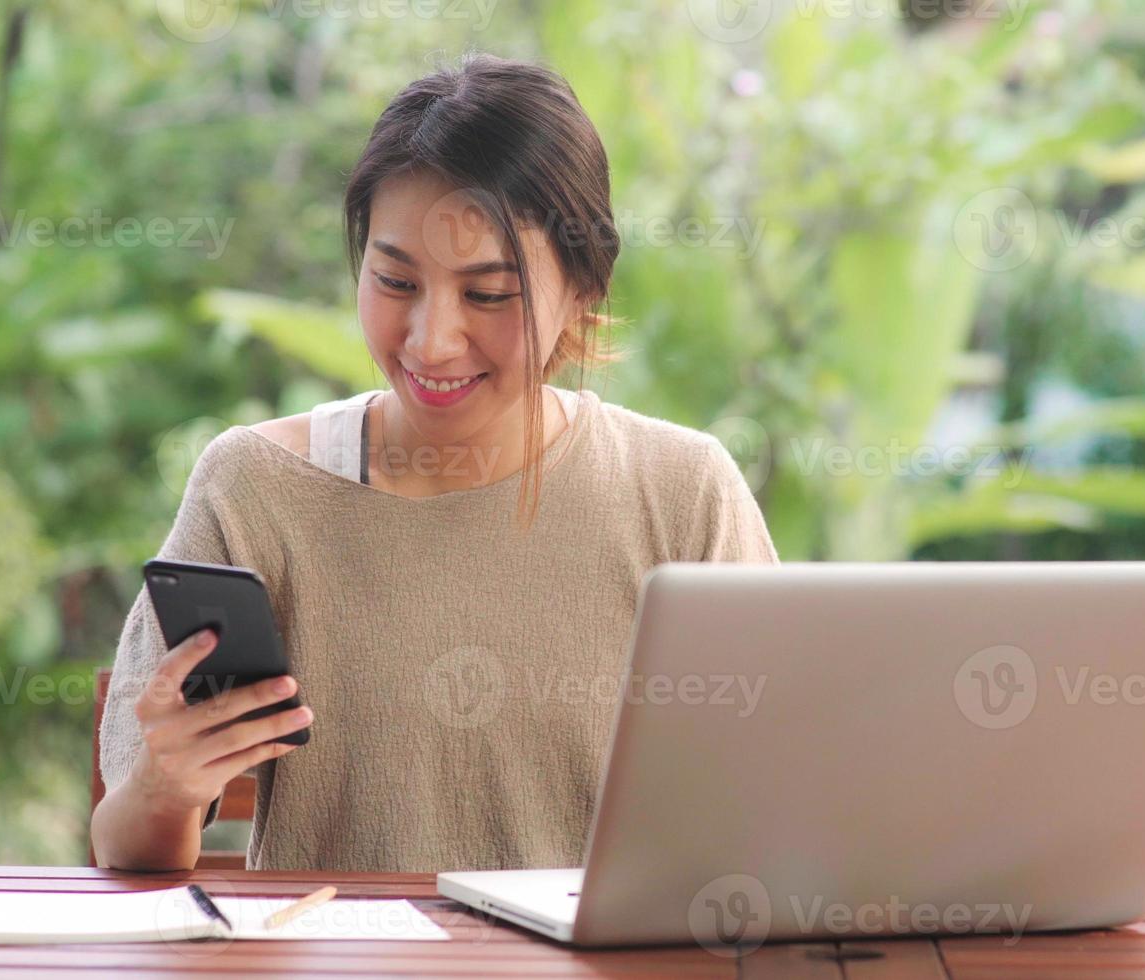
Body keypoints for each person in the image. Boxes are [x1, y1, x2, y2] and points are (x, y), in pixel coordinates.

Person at [91, 54, 778, 873]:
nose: (430, 340)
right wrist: (167, 791)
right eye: (394, 280)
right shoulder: (255, 491)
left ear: (585, 288)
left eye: (488, 294)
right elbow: (124, 847)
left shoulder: (682, 495)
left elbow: (779, 803)